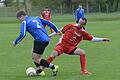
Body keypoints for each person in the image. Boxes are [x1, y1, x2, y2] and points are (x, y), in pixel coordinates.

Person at [44, 18, 110, 75]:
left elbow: (92, 39)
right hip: (62, 45)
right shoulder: (70, 26)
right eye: (79, 22)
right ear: (78, 21)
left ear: (84, 25)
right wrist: (50, 35)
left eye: (81, 24)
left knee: (82, 52)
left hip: (70, 47)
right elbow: (59, 31)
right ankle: (41, 69)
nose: (79, 24)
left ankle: (83, 71)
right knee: (53, 55)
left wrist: (102, 39)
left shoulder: (83, 33)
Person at [12, 10, 60, 76]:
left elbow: (22, 34)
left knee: (36, 59)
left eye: (19, 18)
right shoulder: (36, 18)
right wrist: (56, 30)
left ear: (22, 16)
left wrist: (15, 41)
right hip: (46, 39)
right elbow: (48, 22)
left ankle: (53, 67)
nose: (20, 20)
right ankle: (39, 71)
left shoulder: (24, 22)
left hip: (39, 40)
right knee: (33, 53)